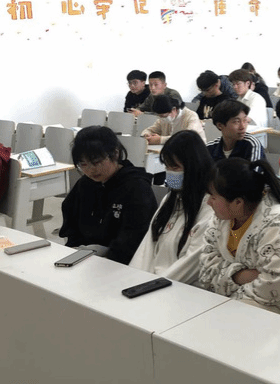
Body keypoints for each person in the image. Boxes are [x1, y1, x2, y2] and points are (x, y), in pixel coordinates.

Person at [198, 157, 280, 322]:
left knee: (222, 322)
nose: (208, 202)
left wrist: (228, 283)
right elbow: (206, 271)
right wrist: (241, 276)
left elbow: (274, 287)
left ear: (238, 202)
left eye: (213, 197)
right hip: (239, 298)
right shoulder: (221, 219)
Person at [59, 126, 157, 264]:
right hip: (84, 257)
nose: (91, 170)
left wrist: (107, 256)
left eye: (97, 162)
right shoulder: (85, 183)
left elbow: (135, 237)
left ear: (115, 153)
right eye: (83, 164)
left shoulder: (136, 187)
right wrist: (76, 249)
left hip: (122, 262)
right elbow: (71, 222)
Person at [129, 131, 215, 284]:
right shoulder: (170, 199)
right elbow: (147, 248)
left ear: (194, 167)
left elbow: (191, 264)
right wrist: (133, 279)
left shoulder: (211, 206)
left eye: (175, 167)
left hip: (180, 287)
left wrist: (151, 286)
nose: (169, 173)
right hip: (151, 282)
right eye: (167, 167)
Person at [141, 94, 206, 145]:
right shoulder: (162, 119)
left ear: (174, 110)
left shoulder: (191, 116)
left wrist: (160, 140)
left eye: (163, 116)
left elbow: (188, 138)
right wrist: (147, 135)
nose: (161, 118)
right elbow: (149, 130)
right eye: (159, 116)